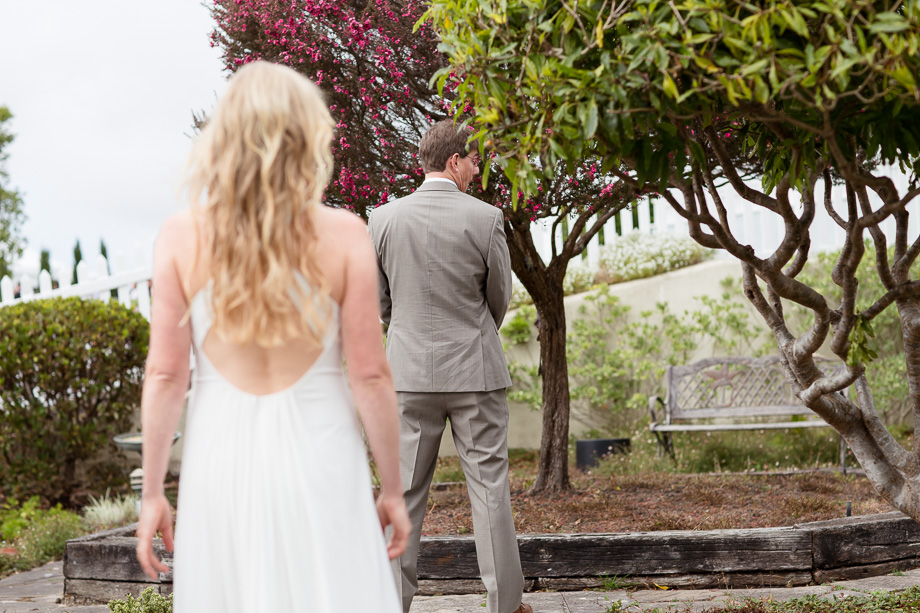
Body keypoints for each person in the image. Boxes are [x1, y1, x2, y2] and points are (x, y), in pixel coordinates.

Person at [135, 60, 410, 613]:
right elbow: (371, 374)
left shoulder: (180, 236)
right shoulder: (344, 234)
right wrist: (393, 490)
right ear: (308, 134)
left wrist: (152, 494)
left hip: (221, 458)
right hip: (323, 454)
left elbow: (166, 375)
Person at [367, 120, 530, 613]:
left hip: (408, 374)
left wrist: (409, 335)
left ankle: (392, 603)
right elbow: (498, 299)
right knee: (488, 489)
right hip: (475, 373)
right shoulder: (487, 218)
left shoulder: (383, 219)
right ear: (455, 160)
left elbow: (381, 301)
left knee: (404, 492)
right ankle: (505, 606)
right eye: (475, 161)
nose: (478, 171)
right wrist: (474, 333)